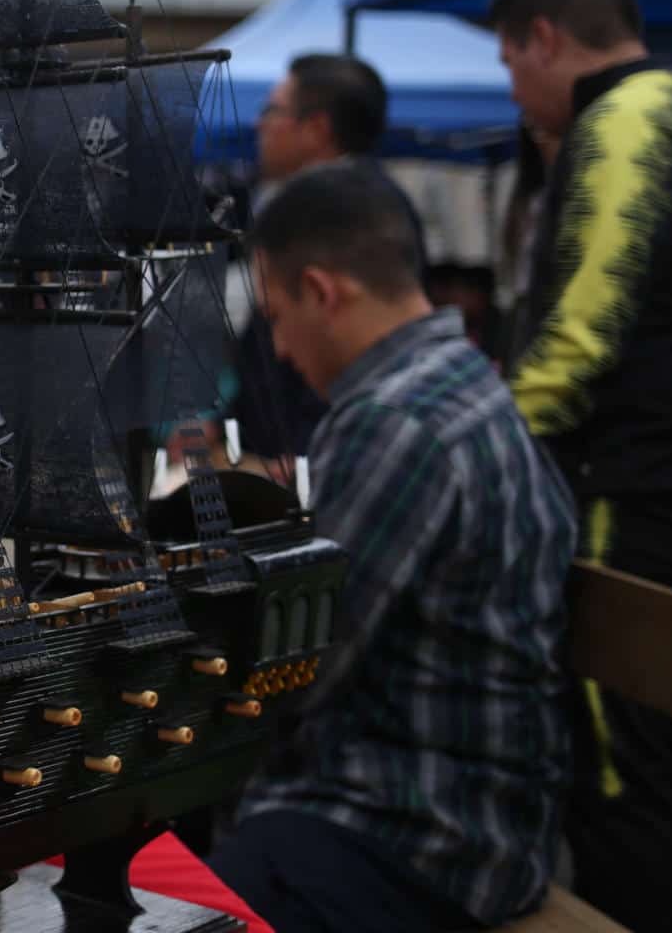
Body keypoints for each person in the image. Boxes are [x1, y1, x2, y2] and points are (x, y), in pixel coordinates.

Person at [205, 162, 575, 931]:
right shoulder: (455, 376)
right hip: (476, 811)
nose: (276, 350)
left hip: (425, 834)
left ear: (323, 290)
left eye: (276, 317)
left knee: (172, 878)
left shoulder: (395, 419)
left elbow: (299, 663)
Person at [492, 0, 672, 932]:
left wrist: (483, 439)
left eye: (509, 63)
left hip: (631, 483)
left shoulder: (626, 117)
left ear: (545, 38)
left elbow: (587, 320)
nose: (515, 88)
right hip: (666, 470)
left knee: (621, 765)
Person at [230, 54, 409, 468]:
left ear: (317, 129)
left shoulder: (362, 210)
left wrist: (310, 459)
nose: (260, 125)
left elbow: (350, 342)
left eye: (272, 111)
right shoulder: (312, 200)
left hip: (313, 465)